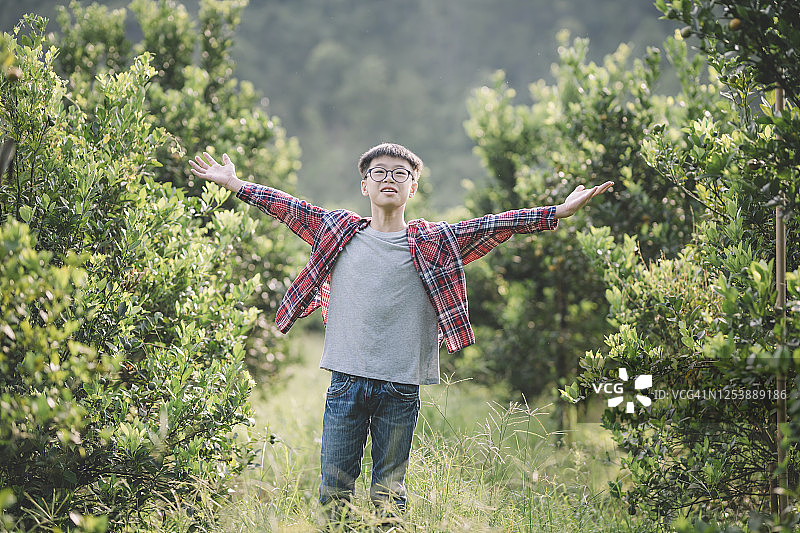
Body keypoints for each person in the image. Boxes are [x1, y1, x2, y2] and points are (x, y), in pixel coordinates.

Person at [189, 143, 612, 522]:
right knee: (334, 493)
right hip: (345, 381)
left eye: (400, 173)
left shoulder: (436, 241)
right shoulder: (338, 231)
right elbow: (286, 206)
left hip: (401, 386)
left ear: (413, 189)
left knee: (389, 498)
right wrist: (237, 183)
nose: (389, 178)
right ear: (364, 186)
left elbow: (493, 225)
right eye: (380, 172)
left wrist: (555, 212)